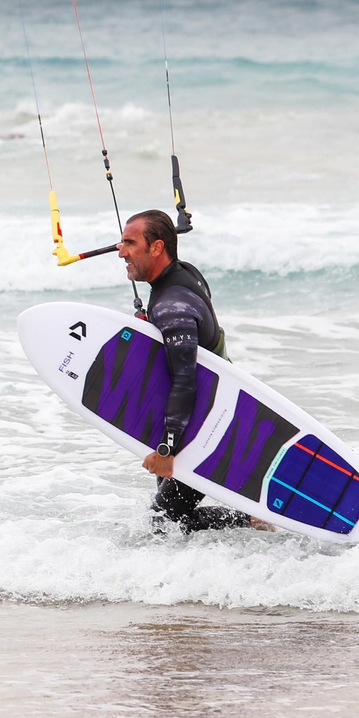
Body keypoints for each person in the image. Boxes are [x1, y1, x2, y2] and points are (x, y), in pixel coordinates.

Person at [116, 210, 265, 534]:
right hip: (207, 416)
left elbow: (186, 381)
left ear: (156, 248)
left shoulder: (173, 307)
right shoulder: (185, 274)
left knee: (161, 524)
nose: (121, 250)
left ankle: (253, 523)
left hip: (205, 429)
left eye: (130, 243)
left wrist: (167, 449)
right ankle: (249, 526)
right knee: (170, 518)